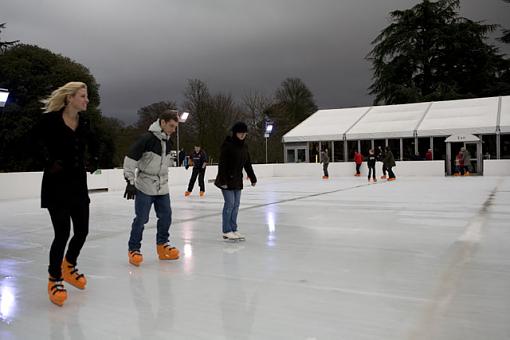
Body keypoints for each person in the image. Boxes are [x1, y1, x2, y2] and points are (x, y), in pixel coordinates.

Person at [35, 82, 99, 306]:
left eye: (87, 96)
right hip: (56, 186)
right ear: (70, 98)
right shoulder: (50, 121)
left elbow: (95, 144)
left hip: (79, 185)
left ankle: (69, 264)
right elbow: (33, 144)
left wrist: (94, 160)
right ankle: (55, 277)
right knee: (62, 233)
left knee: (82, 231)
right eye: (83, 96)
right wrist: (49, 162)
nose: (87, 100)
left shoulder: (84, 123)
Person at [123, 110, 180, 267]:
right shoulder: (146, 139)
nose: (173, 130)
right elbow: (130, 159)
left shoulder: (169, 141)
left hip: (162, 187)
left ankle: (162, 246)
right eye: (171, 126)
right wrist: (130, 181)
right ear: (162, 122)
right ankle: (133, 249)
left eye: (175, 127)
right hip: (145, 185)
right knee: (141, 219)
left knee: (166, 216)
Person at [215, 122, 257, 241]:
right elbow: (222, 164)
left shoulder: (244, 147)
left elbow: (247, 163)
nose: (242, 135)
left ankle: (233, 228)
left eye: (244, 133)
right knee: (230, 204)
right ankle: (226, 230)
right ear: (235, 133)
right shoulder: (227, 145)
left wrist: (252, 177)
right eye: (240, 133)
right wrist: (223, 180)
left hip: (237, 180)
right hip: (226, 180)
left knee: (236, 205)